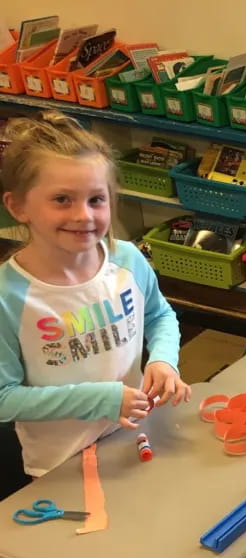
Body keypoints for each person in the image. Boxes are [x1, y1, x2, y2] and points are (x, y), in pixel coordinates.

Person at [0, 110, 191, 478]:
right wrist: (102, 398)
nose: (84, 216)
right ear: (18, 206)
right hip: (59, 466)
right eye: (61, 199)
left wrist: (163, 360)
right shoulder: (9, 297)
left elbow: (159, 316)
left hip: (131, 437)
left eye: (96, 200)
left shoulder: (128, 260)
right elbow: (4, 398)